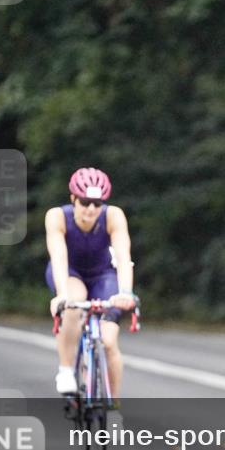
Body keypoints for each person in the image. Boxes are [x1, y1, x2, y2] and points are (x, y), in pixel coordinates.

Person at [45, 167, 136, 398]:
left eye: (97, 203)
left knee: (108, 341)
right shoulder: (57, 216)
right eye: (85, 202)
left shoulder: (113, 215)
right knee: (74, 302)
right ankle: (66, 370)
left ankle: (113, 407)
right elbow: (58, 256)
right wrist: (62, 294)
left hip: (103, 275)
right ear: (73, 199)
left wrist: (126, 291)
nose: (91, 209)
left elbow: (124, 256)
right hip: (70, 272)